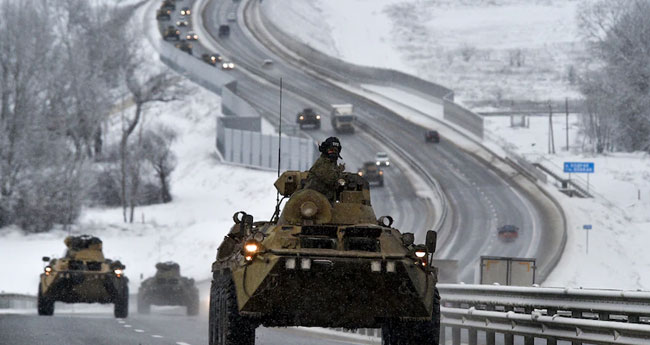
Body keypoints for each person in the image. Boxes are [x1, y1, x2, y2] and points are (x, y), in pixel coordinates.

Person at [303, 137, 345, 202]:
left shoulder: (331, 163)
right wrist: (339, 173)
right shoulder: (322, 163)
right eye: (331, 150)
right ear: (325, 150)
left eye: (335, 150)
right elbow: (331, 180)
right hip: (313, 200)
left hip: (323, 199)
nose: (333, 153)